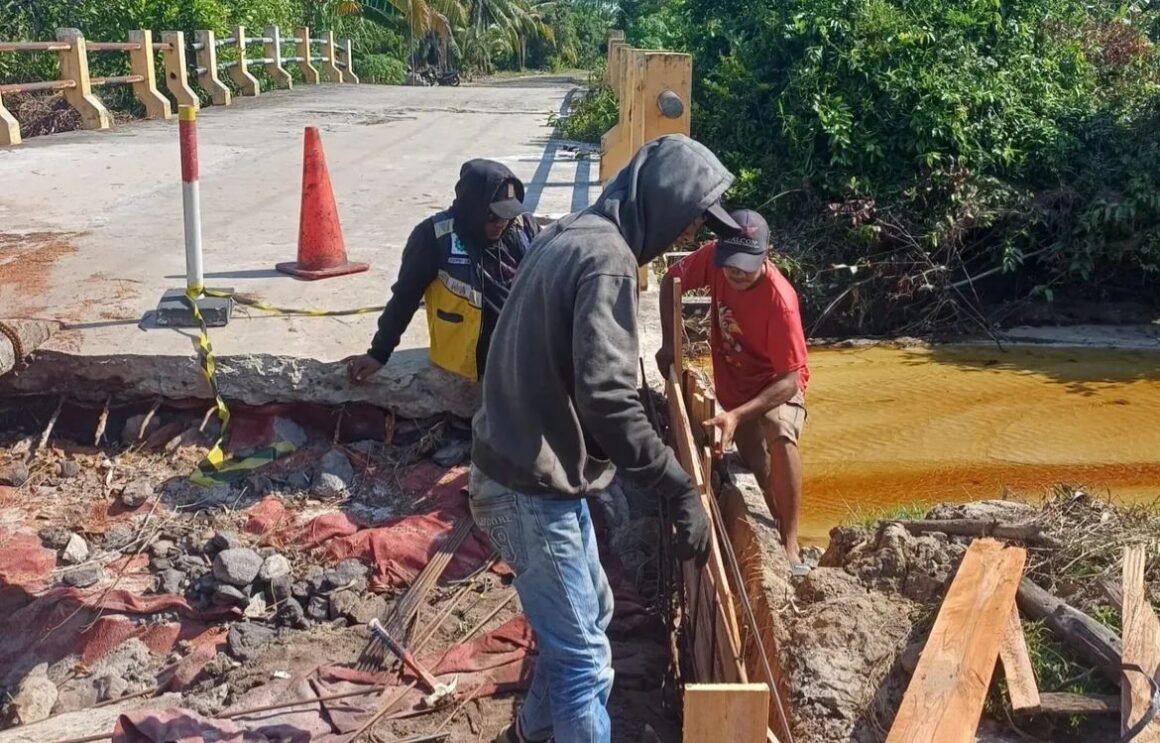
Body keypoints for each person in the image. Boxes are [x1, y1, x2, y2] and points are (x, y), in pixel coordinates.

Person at [469, 134, 741, 743]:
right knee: (585, 659)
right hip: (528, 486)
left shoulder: (571, 233)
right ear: (664, 206)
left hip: (517, 466)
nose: (683, 241)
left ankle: (531, 732)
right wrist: (678, 489)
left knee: (593, 616)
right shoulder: (607, 259)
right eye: (687, 223)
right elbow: (608, 399)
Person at [657, 209, 810, 568]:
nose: (734, 272)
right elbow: (670, 282)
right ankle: (775, 522)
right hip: (735, 387)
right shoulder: (714, 257)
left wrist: (738, 416)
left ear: (764, 255)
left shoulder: (780, 301)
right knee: (758, 467)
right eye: (729, 263)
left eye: (744, 265)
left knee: (780, 431)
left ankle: (790, 544)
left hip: (776, 384)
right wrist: (668, 343)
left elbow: (789, 380)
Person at [347, 159, 539, 385]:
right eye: (492, 216)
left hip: (520, 353)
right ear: (473, 208)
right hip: (465, 364)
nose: (501, 224)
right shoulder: (434, 237)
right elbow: (405, 297)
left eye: (507, 215)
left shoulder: (522, 228)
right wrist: (379, 353)